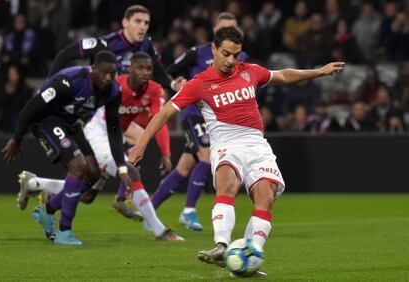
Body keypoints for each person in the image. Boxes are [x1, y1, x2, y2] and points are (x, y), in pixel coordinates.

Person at [129, 26, 344, 275]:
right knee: (226, 183)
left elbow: (283, 75)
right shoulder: (198, 85)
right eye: (226, 53)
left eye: (236, 55)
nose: (231, 60)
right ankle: (221, 245)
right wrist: (141, 145)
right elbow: (165, 113)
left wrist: (319, 71)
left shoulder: (249, 71)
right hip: (226, 144)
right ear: (213, 49)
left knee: (266, 197)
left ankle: (249, 256)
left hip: (257, 145)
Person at [16, 52, 183, 241]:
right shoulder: (113, 83)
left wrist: (166, 152)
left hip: (114, 136)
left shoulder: (154, 90)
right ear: (129, 69)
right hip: (96, 134)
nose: (145, 72)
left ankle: (34, 184)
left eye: (149, 68)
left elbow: (159, 120)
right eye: (140, 68)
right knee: (131, 173)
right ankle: (159, 230)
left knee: (87, 195)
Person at [2, 51, 130, 246]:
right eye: (104, 73)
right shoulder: (70, 81)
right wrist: (17, 138)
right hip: (44, 120)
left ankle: (47, 210)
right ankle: (64, 231)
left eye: (113, 73)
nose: (108, 78)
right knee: (78, 167)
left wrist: (121, 166)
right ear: (93, 69)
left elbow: (114, 129)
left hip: (70, 123)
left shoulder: (113, 91)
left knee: (94, 174)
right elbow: (33, 106)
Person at [150, 12, 247, 231]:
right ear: (215, 31)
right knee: (206, 153)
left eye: (233, 28)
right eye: (224, 28)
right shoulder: (197, 52)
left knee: (184, 167)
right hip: (195, 112)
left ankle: (149, 209)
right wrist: (177, 83)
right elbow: (169, 71)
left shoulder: (242, 56)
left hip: (219, 117)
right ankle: (189, 211)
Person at [48, 5, 185, 91]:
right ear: (125, 23)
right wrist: (48, 85)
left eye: (146, 23)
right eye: (138, 21)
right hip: (101, 102)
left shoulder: (146, 44)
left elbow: (159, 72)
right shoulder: (106, 43)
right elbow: (64, 55)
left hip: (128, 102)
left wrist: (173, 84)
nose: (143, 26)